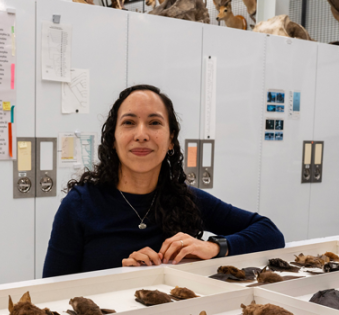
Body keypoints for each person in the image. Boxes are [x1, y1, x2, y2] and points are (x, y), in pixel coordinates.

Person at [43, 84, 284, 278]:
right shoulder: (80, 205)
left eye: (154, 123)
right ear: (113, 140)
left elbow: (270, 233)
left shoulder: (187, 199)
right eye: (128, 123)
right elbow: (50, 293)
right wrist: (119, 278)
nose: (141, 134)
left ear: (170, 140)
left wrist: (214, 247)